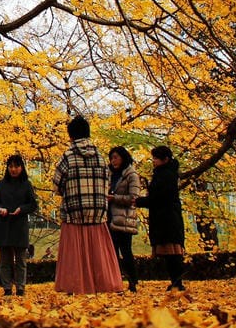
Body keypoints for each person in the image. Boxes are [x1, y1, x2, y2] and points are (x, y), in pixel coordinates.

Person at [51, 116, 123, 294]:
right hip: (98, 214)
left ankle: (76, 285)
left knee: (75, 255)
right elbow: (107, 181)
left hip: (74, 212)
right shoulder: (100, 157)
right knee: (98, 254)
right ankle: (103, 284)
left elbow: (56, 184)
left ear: (71, 136)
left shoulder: (67, 157)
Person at [134, 145, 187, 291]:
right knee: (170, 253)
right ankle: (176, 281)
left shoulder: (166, 175)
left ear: (165, 159)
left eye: (156, 158)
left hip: (167, 219)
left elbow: (160, 197)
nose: (154, 161)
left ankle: (177, 282)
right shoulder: (166, 173)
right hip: (165, 217)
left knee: (172, 253)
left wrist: (140, 201)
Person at [0, 154, 38, 297]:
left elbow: (33, 204)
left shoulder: (26, 185)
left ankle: (20, 287)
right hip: (4, 224)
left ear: (21, 167)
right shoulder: (1, 184)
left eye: (16, 166)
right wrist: (0, 209)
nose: (13, 169)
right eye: (10, 166)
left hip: (19, 224)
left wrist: (21, 209)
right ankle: (6, 287)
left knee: (20, 259)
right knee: (5, 259)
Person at [107, 146, 143, 292]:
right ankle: (115, 281)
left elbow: (134, 197)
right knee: (112, 251)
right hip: (110, 216)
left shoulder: (131, 175)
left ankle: (132, 280)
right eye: (111, 158)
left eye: (115, 157)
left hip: (124, 218)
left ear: (123, 157)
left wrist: (115, 198)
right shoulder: (109, 174)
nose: (113, 161)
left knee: (126, 251)